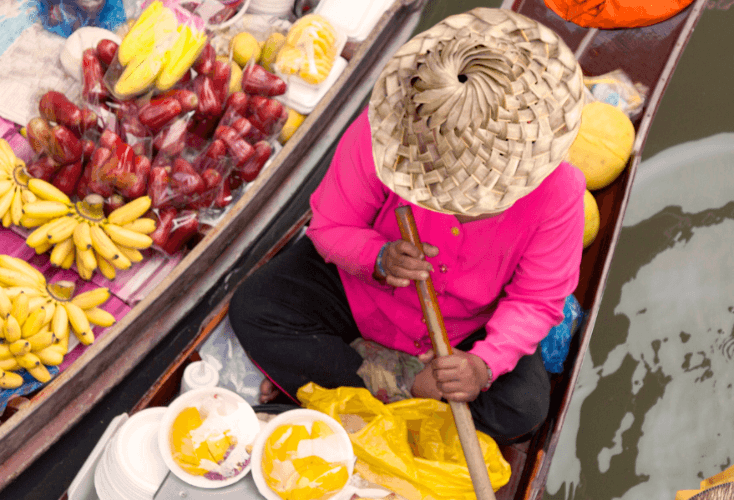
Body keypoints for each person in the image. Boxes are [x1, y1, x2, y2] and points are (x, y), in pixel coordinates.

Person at [229, 9, 586, 445]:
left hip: (465, 331)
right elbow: (330, 227)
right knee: (255, 308)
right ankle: (404, 391)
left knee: (521, 409)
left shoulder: (561, 190)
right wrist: (376, 257)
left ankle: (347, 388)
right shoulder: (386, 133)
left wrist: (481, 366)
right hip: (365, 297)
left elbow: (536, 299)